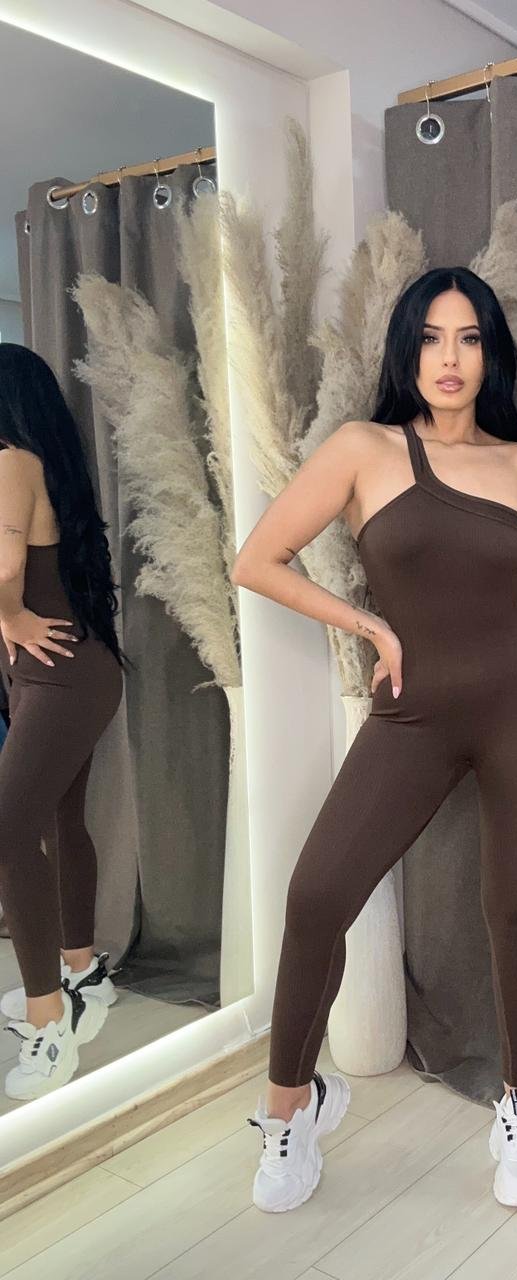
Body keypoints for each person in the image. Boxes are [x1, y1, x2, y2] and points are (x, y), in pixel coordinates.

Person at [231, 266, 517, 1214]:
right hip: (414, 712)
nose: (450, 357)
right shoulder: (363, 449)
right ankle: (292, 1108)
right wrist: (366, 625)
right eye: (433, 337)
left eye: (470, 338)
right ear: (407, 350)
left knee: (515, 912)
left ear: (491, 355)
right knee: (316, 896)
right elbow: (258, 560)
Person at [0, 343, 128, 1100]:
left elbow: (4, 566)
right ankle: (82, 973)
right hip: (72, 671)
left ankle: (49, 1024)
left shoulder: (9, 460)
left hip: (59, 676)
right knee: (58, 822)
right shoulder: (47, 461)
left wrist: (10, 616)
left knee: (8, 830)